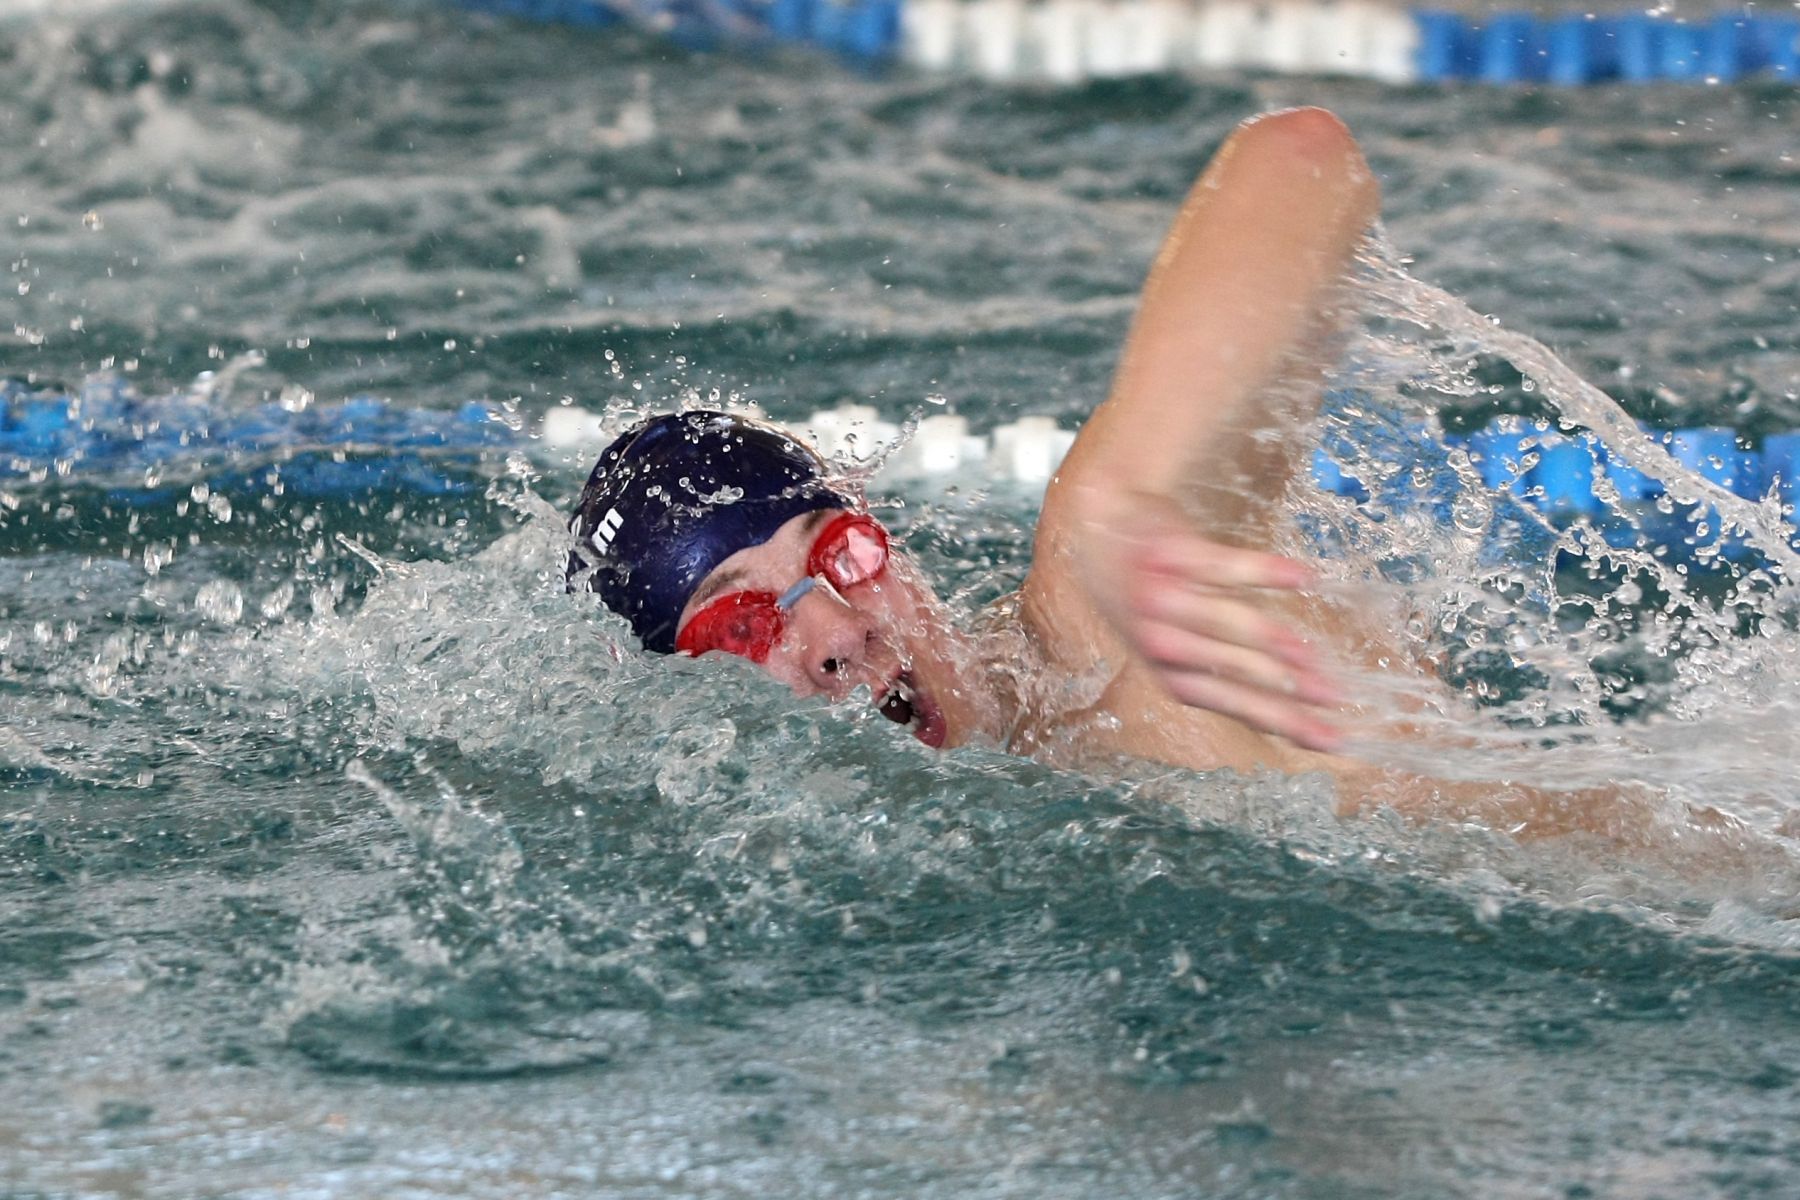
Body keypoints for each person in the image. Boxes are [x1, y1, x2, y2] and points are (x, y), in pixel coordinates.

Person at [562, 107, 1719, 842]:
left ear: (883, 536)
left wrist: (1132, 501)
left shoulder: (1107, 613)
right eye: (743, 622)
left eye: (837, 555)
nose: (836, 632)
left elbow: (1303, 158)